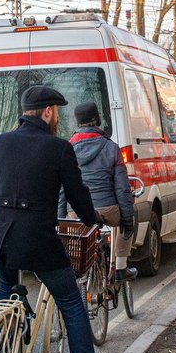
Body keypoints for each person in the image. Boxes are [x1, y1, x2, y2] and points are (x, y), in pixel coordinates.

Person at [0, 85, 114, 353]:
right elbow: (78, 198)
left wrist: (2, 218)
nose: (58, 118)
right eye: (58, 112)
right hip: (38, 239)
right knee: (70, 301)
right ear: (48, 112)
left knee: (7, 289)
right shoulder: (58, 148)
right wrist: (93, 219)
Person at [58, 101, 137, 281]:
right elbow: (122, 188)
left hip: (75, 212)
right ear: (96, 120)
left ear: (78, 122)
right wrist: (127, 220)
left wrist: (61, 221)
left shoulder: (66, 149)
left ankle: (78, 268)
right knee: (132, 214)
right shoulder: (111, 148)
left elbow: (62, 190)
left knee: (79, 231)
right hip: (108, 210)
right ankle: (121, 268)